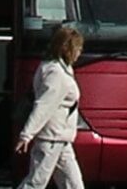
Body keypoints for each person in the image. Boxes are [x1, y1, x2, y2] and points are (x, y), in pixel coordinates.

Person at [16, 24, 85, 189]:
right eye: (77, 48)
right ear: (66, 48)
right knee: (35, 184)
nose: (79, 53)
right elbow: (44, 106)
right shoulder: (57, 74)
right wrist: (27, 135)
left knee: (74, 185)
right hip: (51, 139)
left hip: (60, 139)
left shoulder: (54, 67)